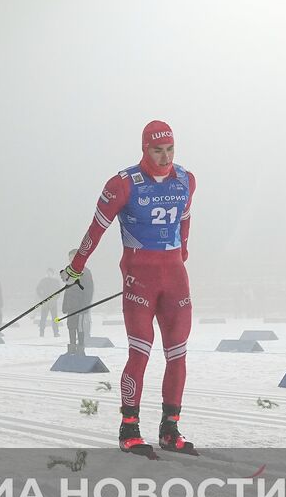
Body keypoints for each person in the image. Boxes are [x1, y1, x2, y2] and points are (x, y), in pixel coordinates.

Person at [63, 120, 197, 457]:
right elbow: (96, 229)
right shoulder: (123, 184)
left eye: (169, 149)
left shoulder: (186, 180)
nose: (164, 157)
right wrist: (77, 265)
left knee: (177, 354)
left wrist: (183, 249)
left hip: (175, 277)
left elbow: (185, 218)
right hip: (140, 277)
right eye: (157, 150)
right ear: (144, 149)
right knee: (140, 351)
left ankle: (170, 428)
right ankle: (129, 428)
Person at [61, 251, 93, 353]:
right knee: (71, 326)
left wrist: (85, 306)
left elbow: (89, 290)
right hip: (71, 305)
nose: (71, 259)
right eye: (70, 257)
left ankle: (80, 348)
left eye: (73, 257)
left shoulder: (85, 271)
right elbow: (67, 290)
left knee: (80, 327)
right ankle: (72, 348)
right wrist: (65, 305)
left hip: (80, 305)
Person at [35, 269, 62, 338]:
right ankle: (41, 332)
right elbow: (38, 289)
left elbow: (59, 291)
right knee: (43, 318)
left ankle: (56, 332)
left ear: (52, 273)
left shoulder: (56, 281)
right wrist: (41, 297)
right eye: (48, 273)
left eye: (50, 273)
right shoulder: (43, 281)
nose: (49, 274)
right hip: (45, 303)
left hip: (53, 303)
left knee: (55, 318)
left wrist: (55, 298)